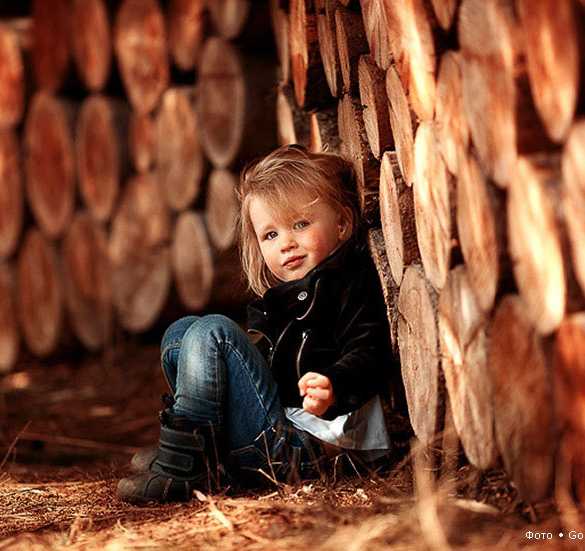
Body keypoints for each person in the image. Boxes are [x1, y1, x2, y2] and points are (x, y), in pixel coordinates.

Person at [116, 144, 396, 504]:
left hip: (311, 451)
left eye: (300, 224)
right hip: (280, 432)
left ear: (341, 224)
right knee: (180, 334)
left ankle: (184, 467)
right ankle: (196, 454)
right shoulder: (285, 299)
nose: (287, 243)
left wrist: (335, 384)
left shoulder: (350, 282)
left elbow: (371, 350)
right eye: (271, 234)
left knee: (214, 332)